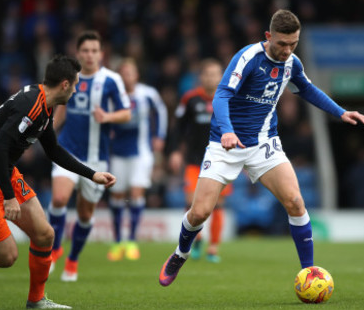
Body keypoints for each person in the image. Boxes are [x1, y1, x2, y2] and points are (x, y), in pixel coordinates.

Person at [158, 9, 364, 287]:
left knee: (295, 202)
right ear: (268, 36)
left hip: (264, 144)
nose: (287, 50)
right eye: (282, 43)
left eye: (293, 44)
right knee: (199, 213)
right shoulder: (248, 58)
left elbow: (306, 89)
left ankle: (310, 274)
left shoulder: (292, 63)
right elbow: (222, 94)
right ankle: (180, 253)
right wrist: (228, 131)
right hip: (226, 144)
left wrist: (340, 112)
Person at [0, 55, 117, 309]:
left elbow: (53, 150)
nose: (76, 89)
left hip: (4, 171)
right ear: (64, 84)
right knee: (7, 257)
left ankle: (36, 300)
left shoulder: (45, 104)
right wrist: (9, 196)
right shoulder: (31, 105)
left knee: (45, 234)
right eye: (75, 84)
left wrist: (92, 175)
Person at [48, 31, 131, 281]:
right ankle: (53, 250)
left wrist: (107, 117)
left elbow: (126, 113)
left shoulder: (111, 80)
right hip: (67, 149)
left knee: (85, 215)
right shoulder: (68, 78)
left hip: (96, 159)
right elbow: (61, 111)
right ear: (78, 54)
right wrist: (46, 131)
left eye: (94, 50)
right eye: (85, 50)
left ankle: (72, 260)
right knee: (60, 198)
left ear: (101, 54)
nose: (90, 55)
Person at [168, 58, 229, 263]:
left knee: (218, 204)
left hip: (222, 159)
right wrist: (175, 151)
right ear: (201, 77)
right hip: (195, 161)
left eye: (215, 73)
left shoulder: (228, 98)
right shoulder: (190, 99)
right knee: (192, 202)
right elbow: (178, 127)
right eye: (207, 74)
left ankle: (213, 247)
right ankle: (197, 239)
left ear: (221, 76)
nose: (211, 77)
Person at [107, 58, 167, 261]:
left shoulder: (147, 93)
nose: (127, 77)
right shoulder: (112, 95)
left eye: (130, 73)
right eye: (123, 74)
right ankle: (117, 242)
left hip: (141, 152)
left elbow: (161, 111)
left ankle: (131, 241)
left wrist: (159, 135)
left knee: (136, 192)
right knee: (117, 196)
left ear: (137, 75)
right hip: (117, 152)